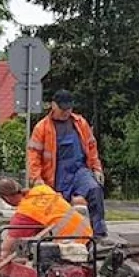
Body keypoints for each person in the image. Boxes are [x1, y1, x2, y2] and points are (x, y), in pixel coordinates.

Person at [0, 178, 93, 277]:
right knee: (32, 253)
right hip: (86, 232)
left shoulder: (25, 213)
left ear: (6, 198)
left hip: (70, 242)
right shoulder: (42, 189)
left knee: (33, 263)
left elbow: (4, 250)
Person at [27, 89, 111, 243]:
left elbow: (91, 147)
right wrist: (36, 178)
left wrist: (96, 168)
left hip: (79, 170)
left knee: (94, 189)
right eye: (63, 108)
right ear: (53, 106)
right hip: (56, 174)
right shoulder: (42, 128)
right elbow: (34, 156)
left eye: (69, 108)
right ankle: (58, 239)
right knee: (59, 209)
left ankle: (99, 234)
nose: (66, 112)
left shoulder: (80, 123)